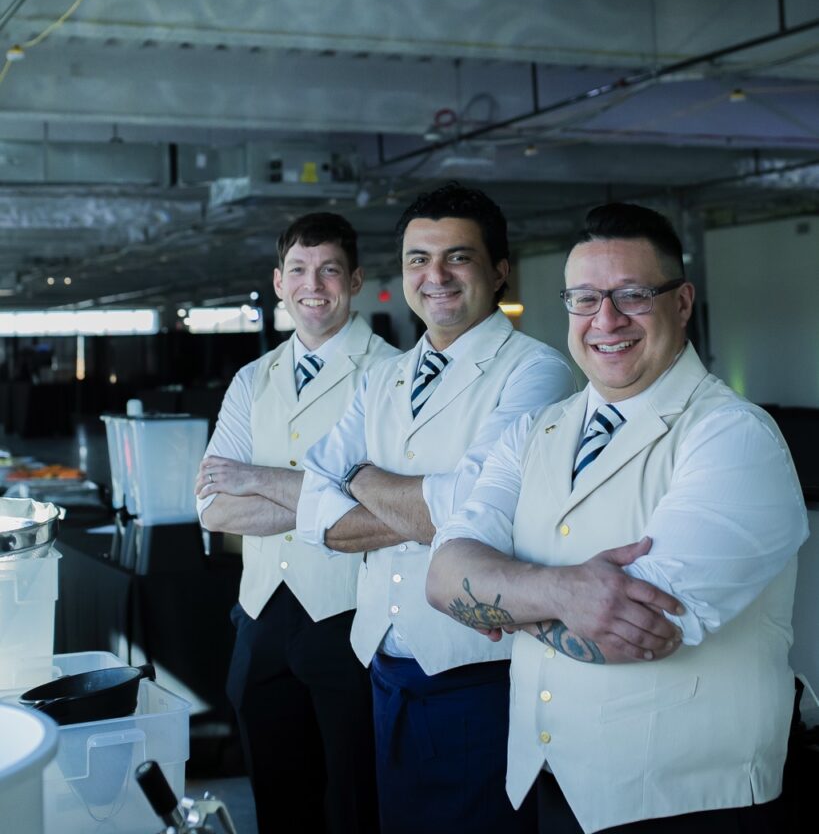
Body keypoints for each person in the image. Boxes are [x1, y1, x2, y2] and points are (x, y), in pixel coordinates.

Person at [427, 202, 810, 834]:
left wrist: (501, 597)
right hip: (553, 780)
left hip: (685, 800)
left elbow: (633, 629)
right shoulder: (535, 430)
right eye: (583, 299)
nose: (605, 320)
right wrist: (563, 592)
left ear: (681, 302)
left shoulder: (733, 436)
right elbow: (442, 577)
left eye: (632, 295)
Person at [297, 183, 576, 834]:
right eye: (418, 259)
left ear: (499, 269)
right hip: (382, 662)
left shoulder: (536, 373)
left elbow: (469, 511)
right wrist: (420, 503)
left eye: (457, 257)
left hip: (480, 670)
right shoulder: (382, 377)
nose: (435, 276)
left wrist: (358, 472)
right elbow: (315, 510)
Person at [196, 212, 397, 834]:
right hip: (259, 623)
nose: (315, 284)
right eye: (301, 271)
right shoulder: (251, 379)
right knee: (280, 807)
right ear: (279, 282)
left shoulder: (392, 373)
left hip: (351, 620)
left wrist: (253, 478)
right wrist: (328, 496)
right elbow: (212, 507)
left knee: (356, 805)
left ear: (356, 280)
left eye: (330, 269)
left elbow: (389, 511)